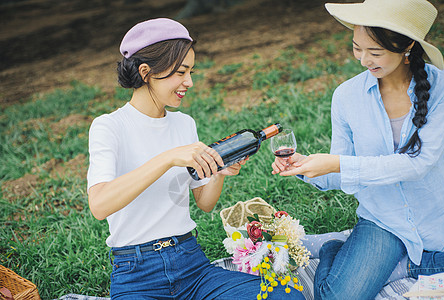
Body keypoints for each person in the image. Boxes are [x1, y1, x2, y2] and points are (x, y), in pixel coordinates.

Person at [87, 18, 305, 299]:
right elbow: (100, 204)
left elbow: (204, 202)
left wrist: (218, 171)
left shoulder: (184, 124)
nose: (189, 82)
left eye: (191, 72)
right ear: (145, 72)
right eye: (181, 72)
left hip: (191, 265)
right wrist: (167, 158)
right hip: (136, 273)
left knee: (286, 295)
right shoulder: (109, 126)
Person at [271, 0, 444, 299]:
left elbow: (417, 164)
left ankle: (398, 265)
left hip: (438, 215)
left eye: (375, 52)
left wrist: (338, 164)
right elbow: (340, 172)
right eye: (357, 48)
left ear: (407, 47)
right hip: (383, 220)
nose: (364, 59)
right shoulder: (347, 96)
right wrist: (305, 167)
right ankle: (335, 249)